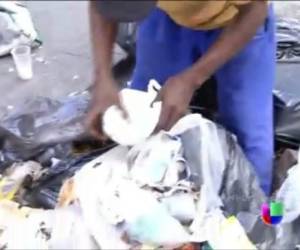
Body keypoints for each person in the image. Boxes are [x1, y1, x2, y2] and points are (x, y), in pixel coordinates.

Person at [86, 0, 276, 195]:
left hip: (237, 19)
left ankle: (259, 216)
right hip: (166, 17)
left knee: (249, 136)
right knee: (145, 115)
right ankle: (144, 199)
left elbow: (254, 10)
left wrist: (192, 79)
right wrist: (103, 78)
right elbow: (101, 6)